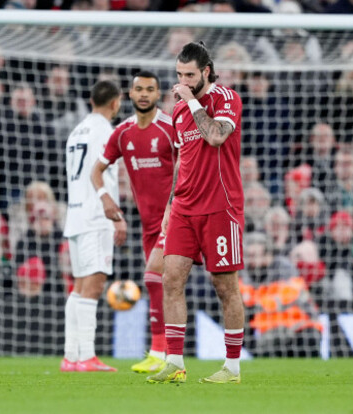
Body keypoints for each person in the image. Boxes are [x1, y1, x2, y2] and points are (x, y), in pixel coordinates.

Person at [147, 42, 245, 385]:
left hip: (221, 205)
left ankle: (232, 368)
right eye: (178, 76)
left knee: (225, 287)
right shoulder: (177, 112)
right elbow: (183, 159)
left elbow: (216, 137)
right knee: (170, 279)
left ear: (206, 71)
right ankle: (175, 362)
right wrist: (171, 204)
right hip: (185, 207)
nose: (182, 82)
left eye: (189, 75)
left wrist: (191, 100)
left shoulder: (227, 98)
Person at [91, 71, 176, 374]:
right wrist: (106, 199)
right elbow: (96, 171)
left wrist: (174, 205)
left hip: (175, 217)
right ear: (129, 94)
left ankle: (160, 351)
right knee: (159, 285)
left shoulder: (169, 127)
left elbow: (190, 165)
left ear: (157, 94)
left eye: (150, 90)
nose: (143, 94)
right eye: (138, 89)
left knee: (154, 277)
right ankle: (164, 353)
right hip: (149, 224)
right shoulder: (123, 132)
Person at [61, 80, 125, 372]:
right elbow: (101, 175)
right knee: (94, 285)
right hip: (96, 216)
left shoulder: (77, 131)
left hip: (74, 215)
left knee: (79, 286)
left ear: (91, 100)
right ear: (115, 102)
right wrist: (116, 214)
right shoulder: (106, 132)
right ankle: (86, 356)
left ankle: (71, 356)